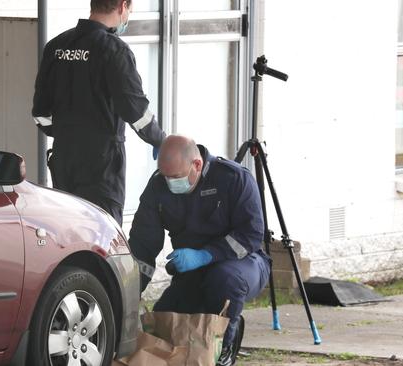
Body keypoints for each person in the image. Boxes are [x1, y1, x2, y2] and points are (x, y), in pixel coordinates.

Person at [128, 135, 272, 366]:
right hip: (192, 271)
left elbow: (250, 236)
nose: (169, 183)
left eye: (175, 177)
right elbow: (142, 244)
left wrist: (206, 255)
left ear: (197, 164)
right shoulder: (158, 186)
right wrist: (130, 293)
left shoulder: (233, 178)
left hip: (243, 263)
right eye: (165, 176)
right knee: (163, 321)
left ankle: (223, 348)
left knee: (224, 280)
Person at [32, 0, 165, 225]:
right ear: (123, 6)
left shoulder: (56, 45)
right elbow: (135, 111)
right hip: (102, 163)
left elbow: (40, 113)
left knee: (68, 230)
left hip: (64, 158)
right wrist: (160, 140)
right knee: (103, 232)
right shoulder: (114, 50)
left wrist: (67, 134)